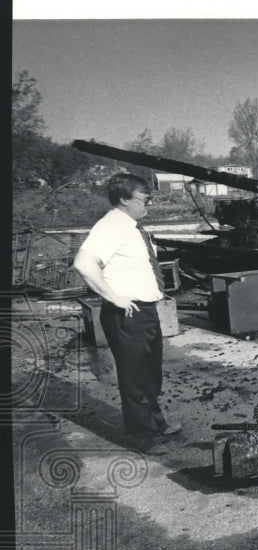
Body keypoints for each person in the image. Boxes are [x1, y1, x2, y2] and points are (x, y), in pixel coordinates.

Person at [73, 173, 181, 450]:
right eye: (145, 199)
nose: (150, 204)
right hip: (127, 314)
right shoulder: (110, 226)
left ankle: (156, 423)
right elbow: (84, 263)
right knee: (134, 378)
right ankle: (142, 437)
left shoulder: (131, 226)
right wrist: (114, 298)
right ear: (124, 199)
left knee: (150, 374)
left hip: (145, 311)